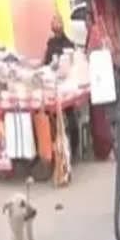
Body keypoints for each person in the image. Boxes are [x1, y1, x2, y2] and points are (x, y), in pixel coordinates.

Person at [42, 15, 80, 159]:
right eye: (53, 23)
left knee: (69, 114)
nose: (55, 25)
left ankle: (73, 148)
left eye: (57, 22)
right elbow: (45, 63)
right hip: (52, 84)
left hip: (66, 86)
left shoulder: (68, 44)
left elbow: (72, 64)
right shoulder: (50, 43)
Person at [84, 3, 117, 161]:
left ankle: (104, 148)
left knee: (101, 117)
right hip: (105, 79)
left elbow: (92, 55)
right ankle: (107, 147)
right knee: (104, 116)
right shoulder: (102, 30)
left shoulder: (96, 31)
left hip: (100, 80)